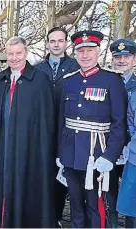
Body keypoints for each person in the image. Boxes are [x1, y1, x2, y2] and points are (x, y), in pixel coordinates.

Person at [0, 36, 55, 227]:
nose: (14, 57)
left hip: (28, 147)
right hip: (2, 145)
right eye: (10, 53)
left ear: (26, 53)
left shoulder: (40, 79)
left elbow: (45, 120)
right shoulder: (1, 79)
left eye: (18, 53)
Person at [57, 31, 127, 228]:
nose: (85, 55)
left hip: (97, 154)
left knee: (95, 206)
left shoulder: (112, 80)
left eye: (89, 50)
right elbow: (62, 121)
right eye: (80, 51)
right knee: (76, 205)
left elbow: (118, 123)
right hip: (71, 153)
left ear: (98, 52)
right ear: (75, 53)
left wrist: (109, 156)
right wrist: (60, 152)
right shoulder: (69, 81)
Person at [35, 26, 80, 227]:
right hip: (41, 130)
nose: (56, 44)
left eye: (60, 41)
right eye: (52, 41)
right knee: (41, 173)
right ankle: (41, 214)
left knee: (61, 173)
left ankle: (57, 216)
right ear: (47, 43)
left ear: (65, 43)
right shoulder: (37, 69)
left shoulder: (75, 67)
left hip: (66, 131)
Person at [111, 38, 136, 228]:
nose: (121, 61)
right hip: (110, 148)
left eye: (126, 56)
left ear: (134, 60)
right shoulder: (106, 82)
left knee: (132, 202)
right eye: (117, 57)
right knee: (109, 194)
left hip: (133, 152)